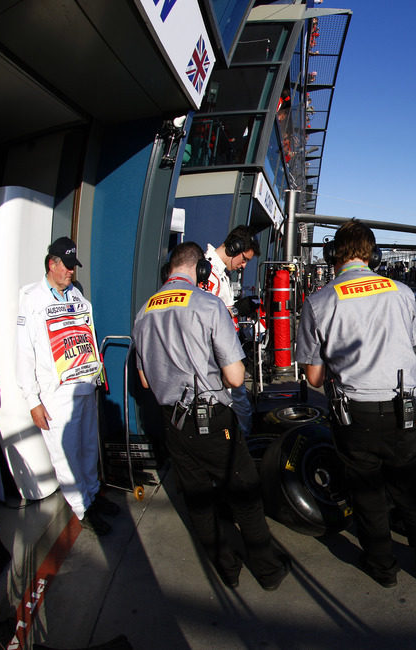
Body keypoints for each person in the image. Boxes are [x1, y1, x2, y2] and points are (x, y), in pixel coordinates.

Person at [295, 220, 416, 588]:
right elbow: (411, 341)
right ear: (373, 254)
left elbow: (313, 378)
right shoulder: (401, 292)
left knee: (367, 496)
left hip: (352, 414)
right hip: (402, 409)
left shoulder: (319, 300)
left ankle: (382, 567)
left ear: (334, 254)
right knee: (412, 491)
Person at [132, 242, 288, 591]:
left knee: (199, 502)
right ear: (200, 269)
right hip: (213, 420)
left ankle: (228, 569)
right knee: (245, 496)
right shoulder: (207, 304)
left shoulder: (143, 312)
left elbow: (144, 380)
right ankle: (268, 571)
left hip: (172, 422)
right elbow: (234, 378)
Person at [16, 237, 119, 535]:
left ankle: (92, 495)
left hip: (84, 387)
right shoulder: (32, 299)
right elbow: (24, 353)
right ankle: (81, 508)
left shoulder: (77, 297)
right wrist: (32, 400)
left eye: (74, 266)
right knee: (66, 455)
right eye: (67, 266)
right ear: (52, 264)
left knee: (87, 448)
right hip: (55, 393)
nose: (72, 272)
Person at [204, 226, 260, 437]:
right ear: (234, 248)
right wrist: (238, 309)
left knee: (240, 408)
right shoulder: (207, 272)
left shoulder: (220, 273)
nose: (244, 266)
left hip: (227, 351)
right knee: (234, 409)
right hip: (217, 357)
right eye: (244, 259)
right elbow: (205, 316)